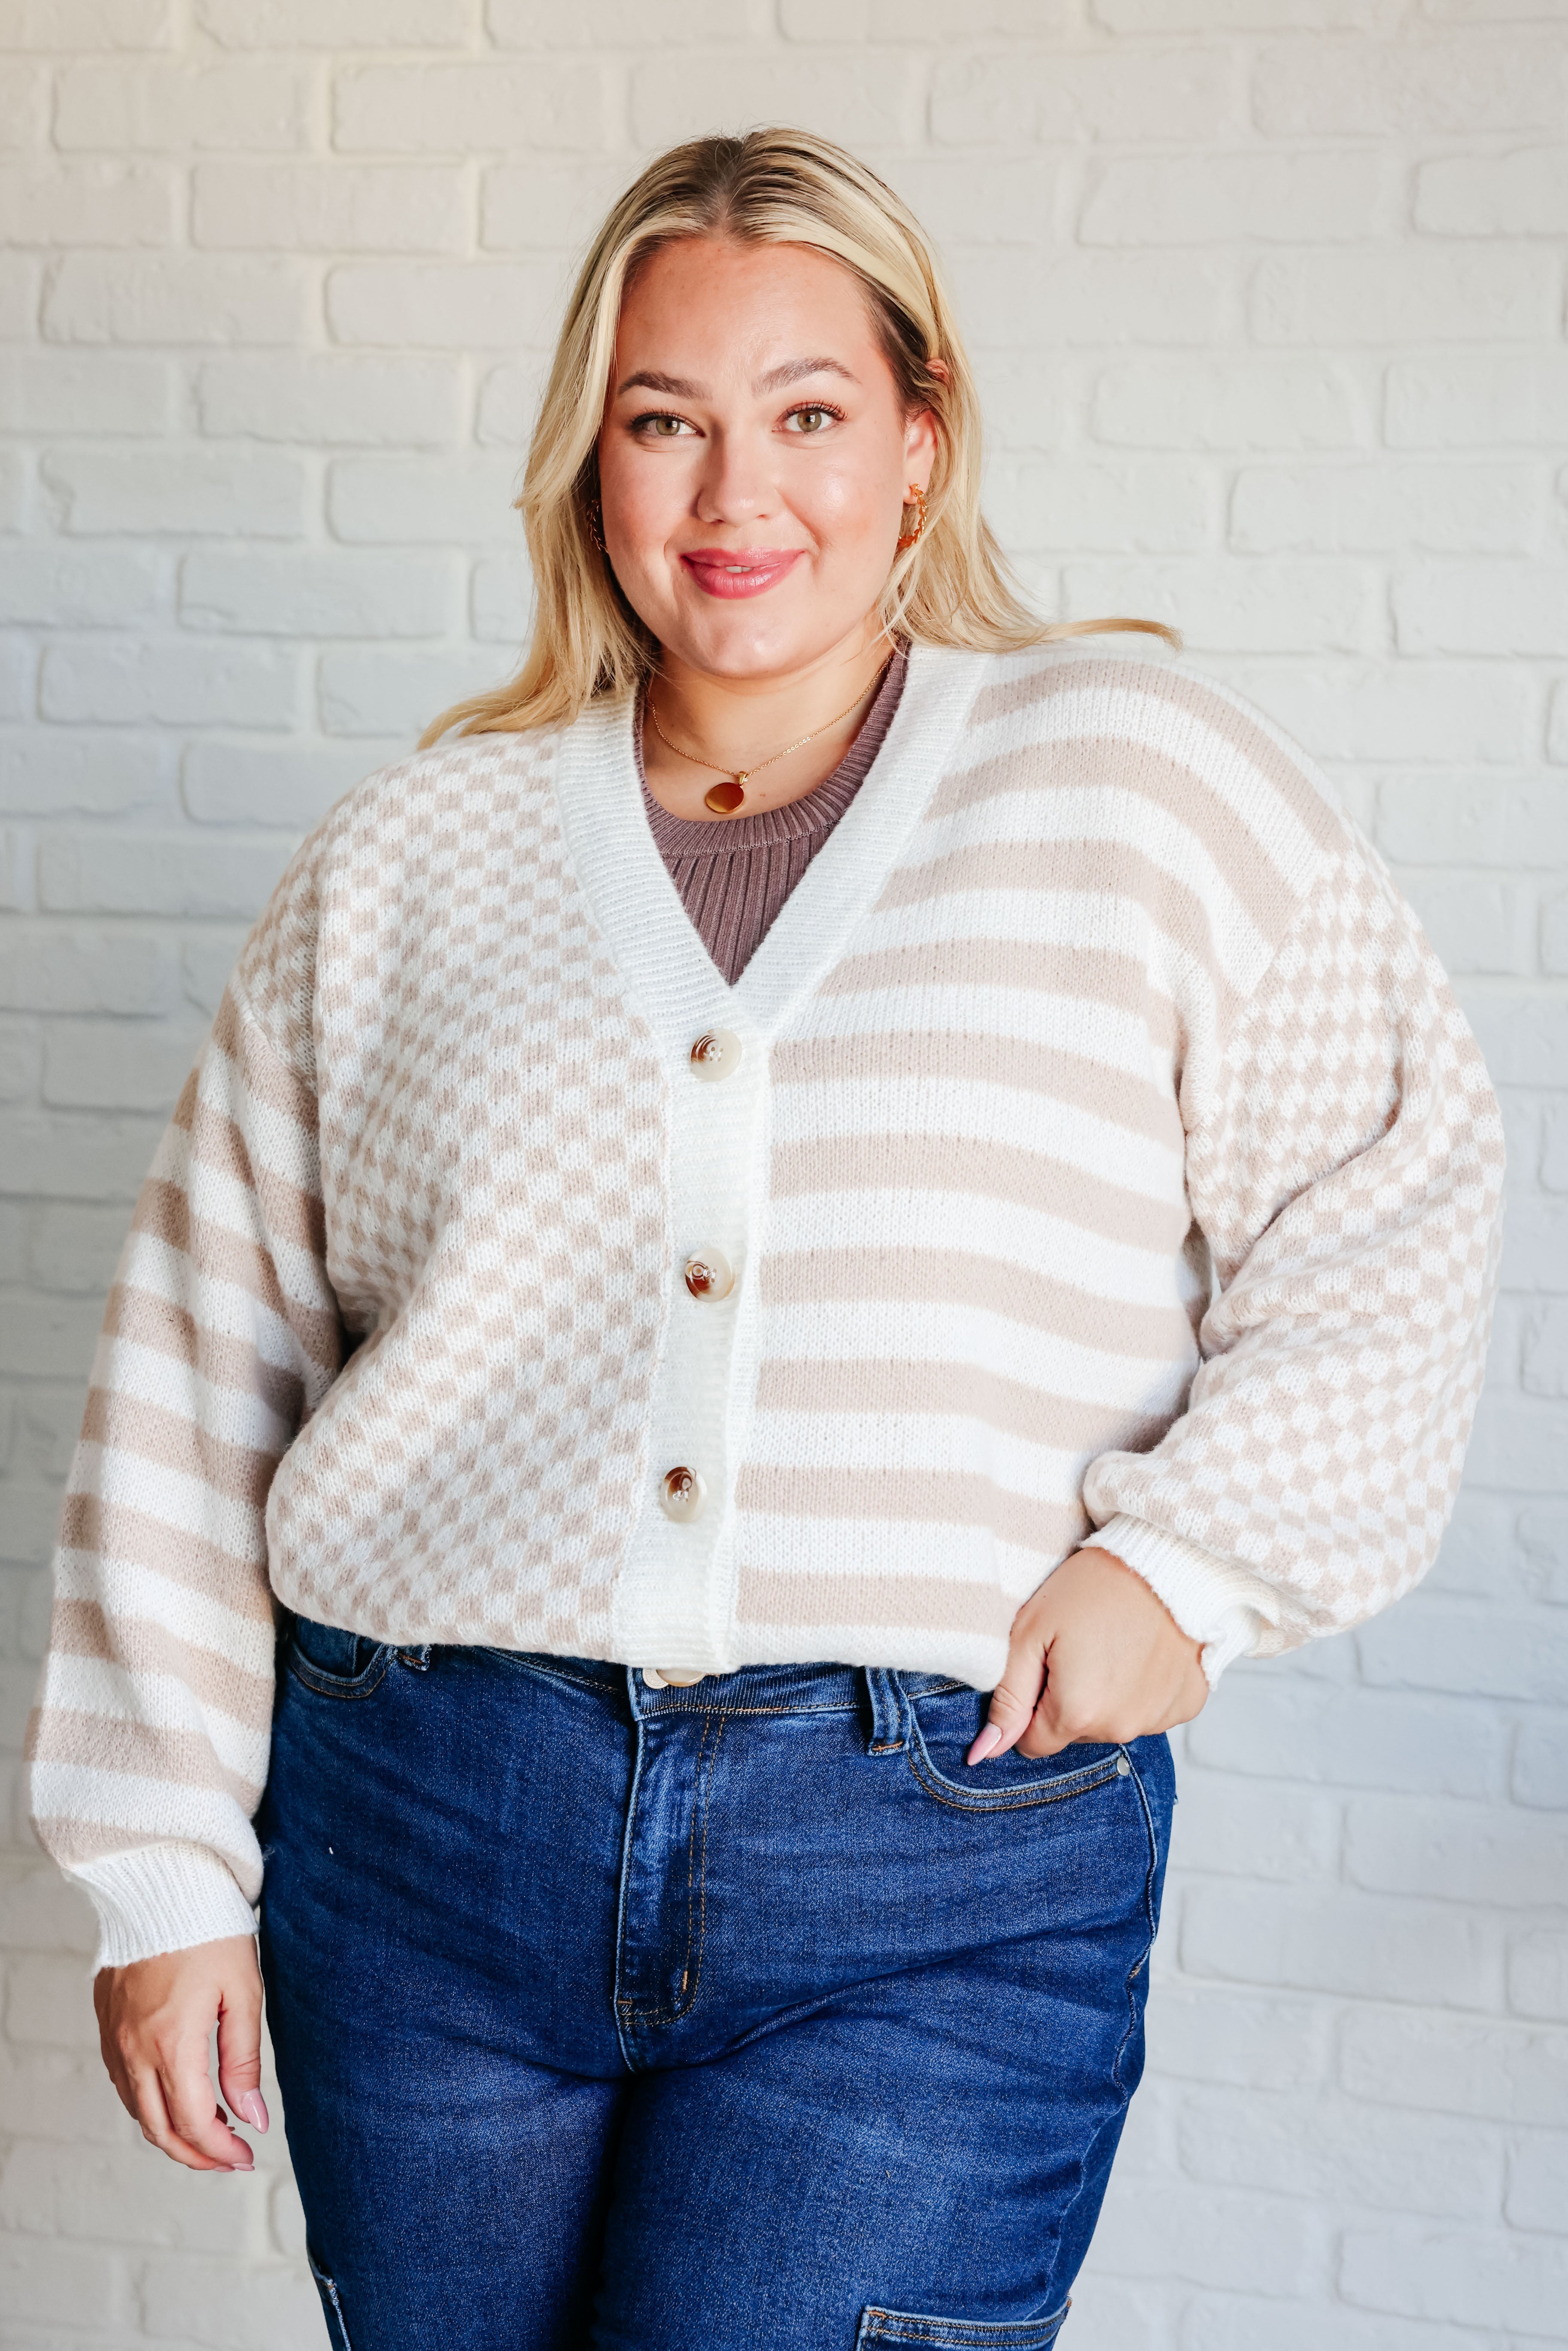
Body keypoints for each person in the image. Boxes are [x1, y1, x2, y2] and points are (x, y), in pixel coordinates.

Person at [28, 129, 1504, 2351]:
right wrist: (161, 1872)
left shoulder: (1133, 783)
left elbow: (1387, 1188)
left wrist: (1191, 1566)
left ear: (919, 442)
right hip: (418, 1829)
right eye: (665, 421)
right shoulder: (410, 859)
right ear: (589, 462)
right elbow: (199, 1363)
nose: (737, 493)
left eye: (807, 411)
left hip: (929, 1864)